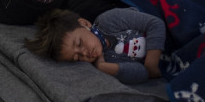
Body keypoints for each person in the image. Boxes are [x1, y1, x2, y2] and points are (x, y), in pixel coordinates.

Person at [26, 8, 165, 84]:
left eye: (79, 43)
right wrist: (104, 67)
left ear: (85, 24)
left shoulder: (109, 20)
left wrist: (152, 64)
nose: (84, 53)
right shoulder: (106, 61)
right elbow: (142, 74)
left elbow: (155, 24)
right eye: (77, 57)